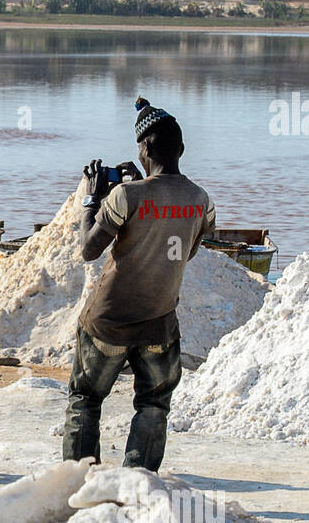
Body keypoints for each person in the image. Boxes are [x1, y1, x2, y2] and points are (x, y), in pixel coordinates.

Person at [63, 96, 215, 472]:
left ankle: (80, 482)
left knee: (85, 399)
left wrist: (90, 201)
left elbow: (88, 250)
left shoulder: (125, 195)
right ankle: (140, 482)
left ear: (144, 147)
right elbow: (185, 253)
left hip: (108, 322)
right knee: (153, 405)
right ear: (181, 149)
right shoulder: (201, 200)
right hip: (159, 324)